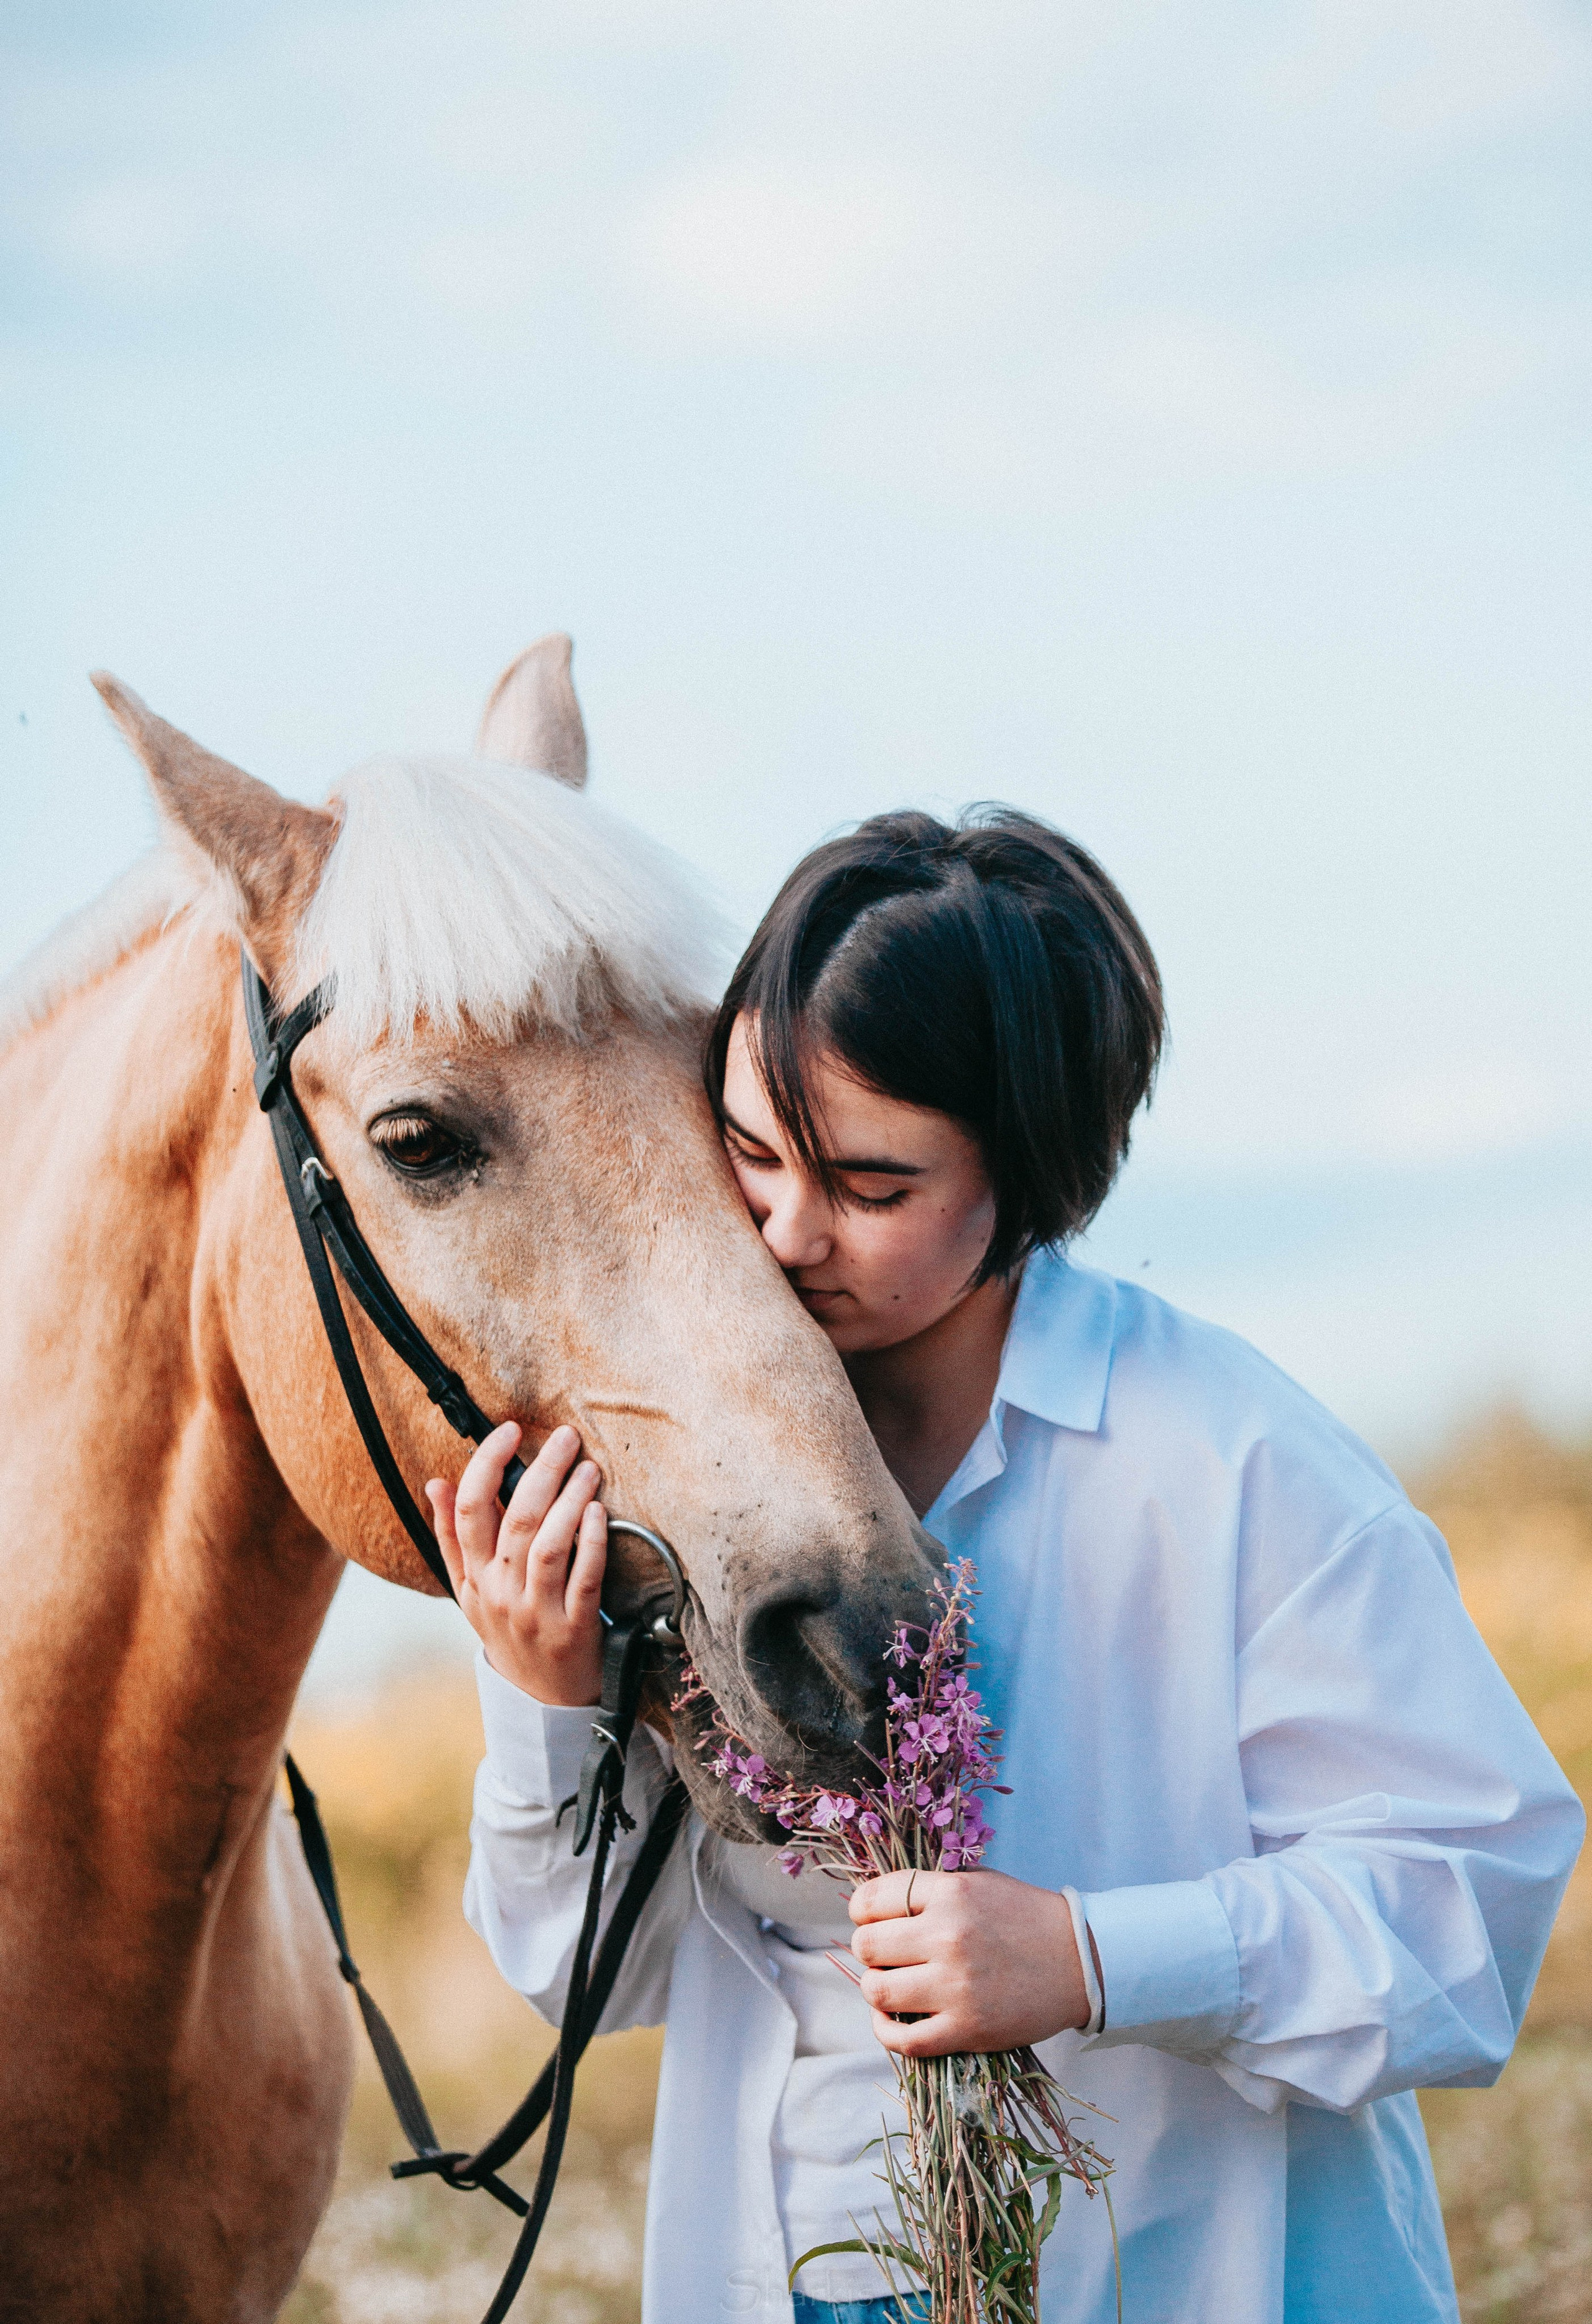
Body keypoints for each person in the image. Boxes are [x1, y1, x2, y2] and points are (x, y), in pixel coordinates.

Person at [433, 807, 1583, 2324]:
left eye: (868, 1185)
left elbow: (1468, 1908)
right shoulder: (684, 1480)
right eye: (749, 1150)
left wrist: (1093, 1957)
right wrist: (544, 1698)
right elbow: (594, 1984)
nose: (783, 1230)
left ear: (1036, 1175)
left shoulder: (1237, 1461)